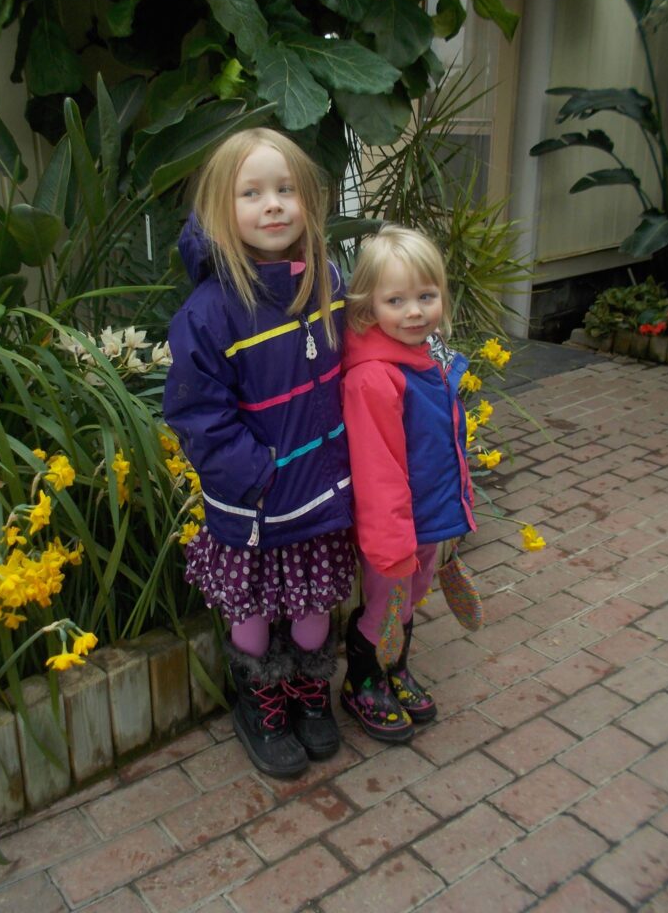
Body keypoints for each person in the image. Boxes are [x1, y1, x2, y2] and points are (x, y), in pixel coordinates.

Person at [164, 128, 354, 778]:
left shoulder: (326, 280)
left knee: (311, 607)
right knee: (251, 612)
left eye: (286, 190)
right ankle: (260, 697)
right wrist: (257, 475)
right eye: (252, 193)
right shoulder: (210, 313)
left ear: (309, 202)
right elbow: (197, 413)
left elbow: (351, 371)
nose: (272, 205)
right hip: (258, 504)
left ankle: (307, 691)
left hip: (321, 495)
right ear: (222, 208)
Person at [340, 224, 476, 742]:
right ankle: (363, 680)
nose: (415, 311)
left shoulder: (429, 356)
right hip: (395, 528)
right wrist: (390, 544)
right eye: (396, 300)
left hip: (426, 517)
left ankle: (394, 667)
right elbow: (378, 473)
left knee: (410, 597)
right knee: (386, 603)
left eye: (426, 295)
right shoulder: (376, 377)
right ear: (369, 307)